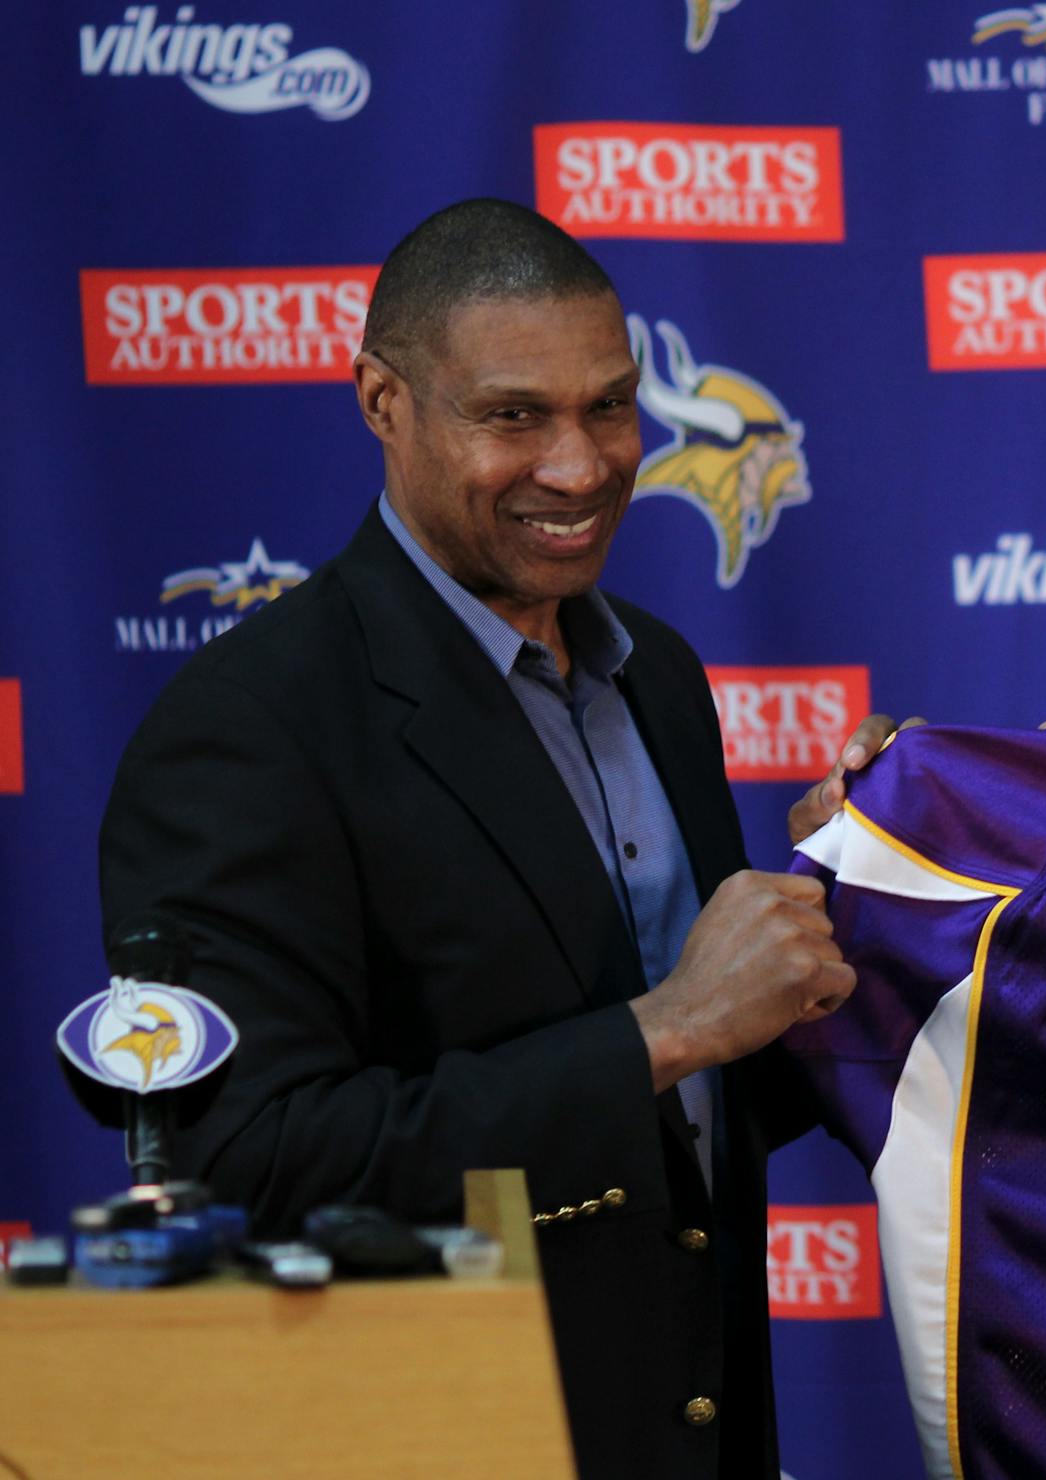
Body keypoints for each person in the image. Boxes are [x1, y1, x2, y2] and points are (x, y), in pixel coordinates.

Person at [100, 198, 857, 1480]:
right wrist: (666, 1026)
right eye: (513, 416)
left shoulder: (657, 674)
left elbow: (702, 1107)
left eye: (611, 406)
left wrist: (854, 907)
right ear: (383, 402)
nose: (579, 465)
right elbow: (243, 1166)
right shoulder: (244, 730)